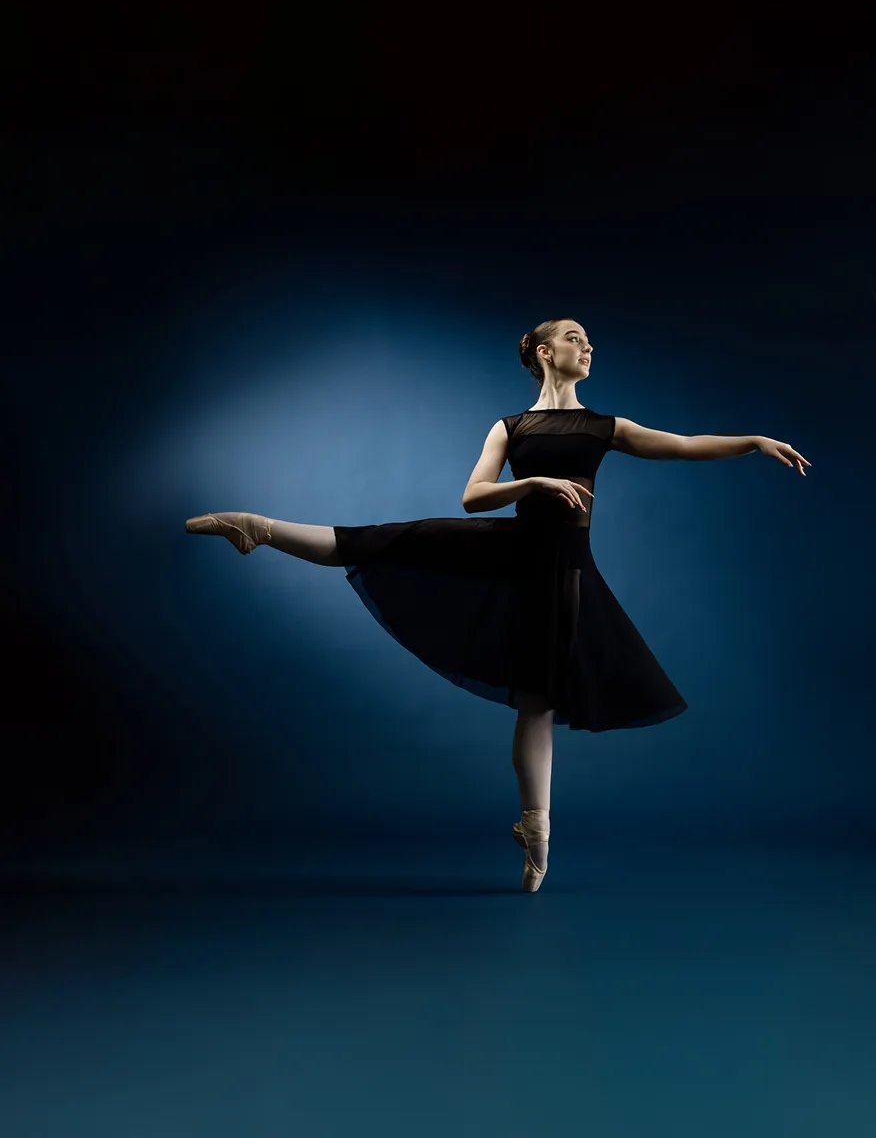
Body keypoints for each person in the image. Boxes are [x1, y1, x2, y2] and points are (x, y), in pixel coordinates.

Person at [185, 318, 810, 891]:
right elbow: (473, 496)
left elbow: (683, 443)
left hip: (563, 570)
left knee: (538, 700)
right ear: (545, 353)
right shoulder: (509, 427)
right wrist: (533, 483)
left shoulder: (605, 427)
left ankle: (535, 834)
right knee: (383, 541)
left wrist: (752, 440)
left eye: (589, 340)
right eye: (574, 337)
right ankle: (258, 527)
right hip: (507, 546)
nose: (587, 346)